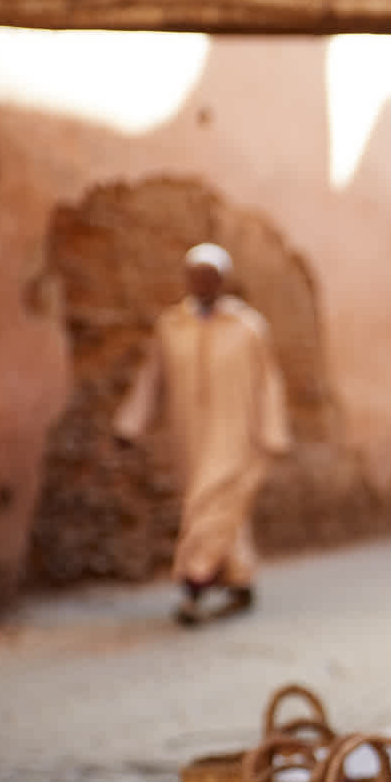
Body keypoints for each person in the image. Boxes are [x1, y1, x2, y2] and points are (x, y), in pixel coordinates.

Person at [114, 244, 292, 625]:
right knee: (215, 508)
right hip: (189, 434)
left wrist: (273, 432)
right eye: (196, 274)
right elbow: (151, 379)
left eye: (211, 275)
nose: (203, 282)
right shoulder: (171, 326)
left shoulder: (248, 327)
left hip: (238, 434)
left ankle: (193, 582)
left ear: (224, 280)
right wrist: (130, 424)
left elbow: (268, 383)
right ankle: (239, 580)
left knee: (211, 503)